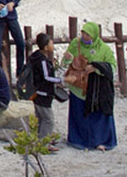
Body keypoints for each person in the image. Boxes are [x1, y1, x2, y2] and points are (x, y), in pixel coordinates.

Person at [60, 21, 117, 151]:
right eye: (83, 33)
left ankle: (102, 141)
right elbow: (65, 62)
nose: (85, 37)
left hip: (97, 88)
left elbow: (112, 67)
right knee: (79, 114)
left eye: (88, 35)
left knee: (99, 116)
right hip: (78, 86)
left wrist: (96, 68)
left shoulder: (104, 49)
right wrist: (67, 58)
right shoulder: (76, 43)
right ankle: (79, 141)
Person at [28, 32, 63, 152]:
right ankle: (43, 143)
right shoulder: (42, 60)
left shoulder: (35, 56)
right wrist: (61, 80)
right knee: (48, 119)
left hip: (37, 92)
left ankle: (40, 138)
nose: (53, 44)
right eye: (51, 43)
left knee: (41, 118)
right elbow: (46, 77)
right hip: (43, 93)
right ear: (46, 47)